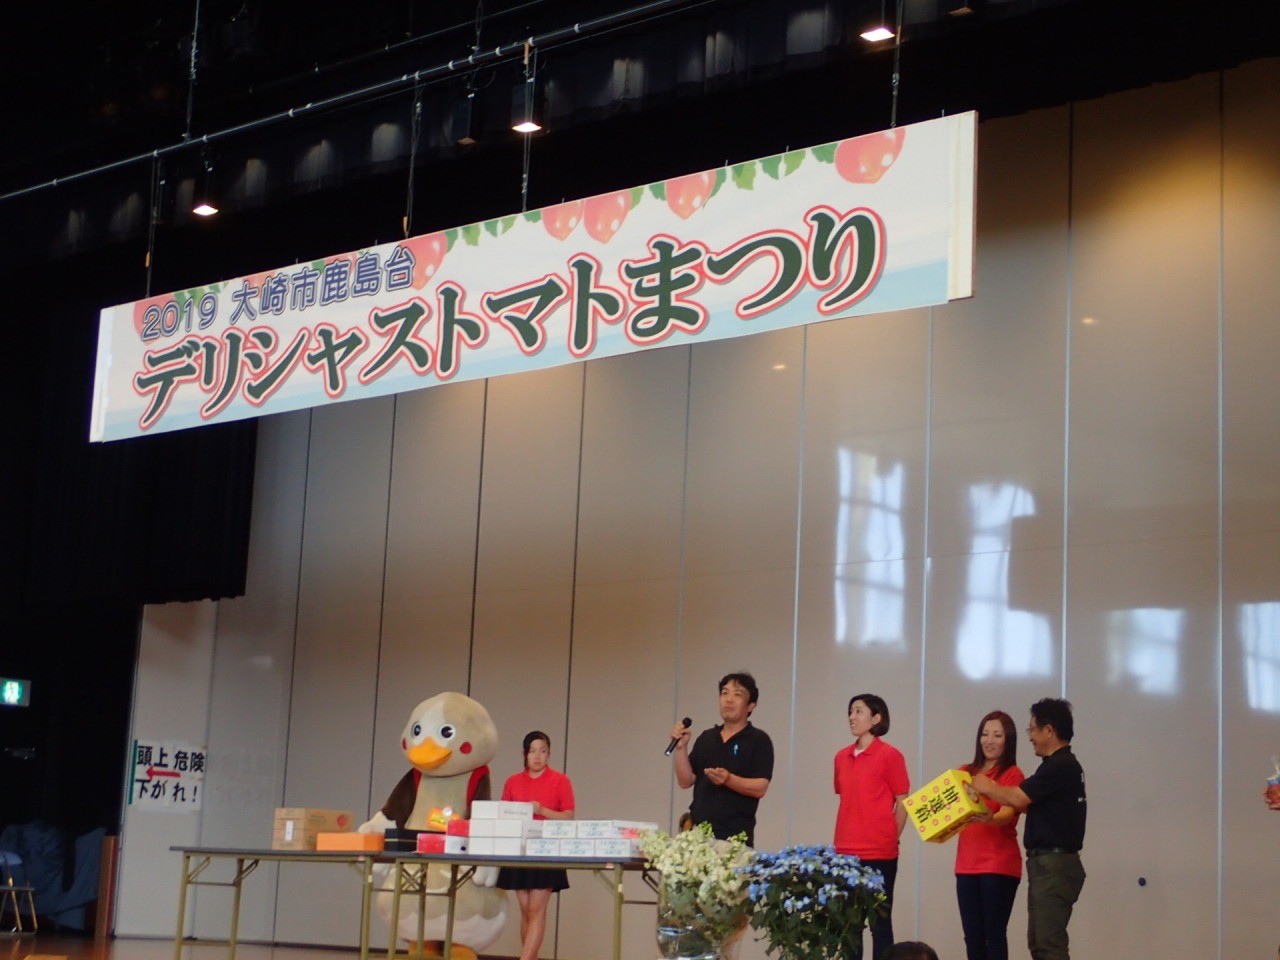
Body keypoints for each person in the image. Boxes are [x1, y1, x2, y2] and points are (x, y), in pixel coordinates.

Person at [972, 698, 1085, 960]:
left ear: (1049, 730)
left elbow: (1019, 798)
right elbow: (1026, 804)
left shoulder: (1060, 765)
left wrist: (987, 787)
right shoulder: (1056, 766)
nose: (1031, 737)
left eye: (1032, 729)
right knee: (1039, 942)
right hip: (1047, 864)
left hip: (1054, 864)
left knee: (1048, 944)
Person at [834, 693, 910, 960]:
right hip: (845, 852)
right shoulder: (841, 757)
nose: (852, 717)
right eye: (850, 711)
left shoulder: (890, 755)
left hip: (880, 853)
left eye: (859, 711)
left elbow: (903, 802)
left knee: (880, 924)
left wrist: (890, 836)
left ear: (876, 718)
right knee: (850, 924)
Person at [495, 731, 576, 960]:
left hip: (547, 849)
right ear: (524, 754)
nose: (537, 756)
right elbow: (503, 814)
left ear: (549, 753)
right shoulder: (512, 781)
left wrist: (542, 810)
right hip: (519, 849)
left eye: (542, 751)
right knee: (526, 911)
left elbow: (568, 815)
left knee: (536, 909)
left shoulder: (560, 780)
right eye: (532, 751)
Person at [669, 671, 774, 846]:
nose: (729, 699)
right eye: (724, 693)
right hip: (698, 837)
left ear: (751, 706)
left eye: (737, 694)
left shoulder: (758, 740)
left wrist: (728, 779)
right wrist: (681, 748)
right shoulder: (707, 737)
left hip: (735, 840)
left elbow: (760, 787)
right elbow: (685, 781)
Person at [955, 711, 1025, 960]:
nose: (989, 740)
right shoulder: (965, 772)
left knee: (993, 933)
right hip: (966, 865)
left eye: (997, 735)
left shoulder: (1013, 774)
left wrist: (990, 818)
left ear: (1008, 740)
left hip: (999, 866)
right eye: (985, 734)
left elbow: (1008, 812)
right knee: (972, 935)